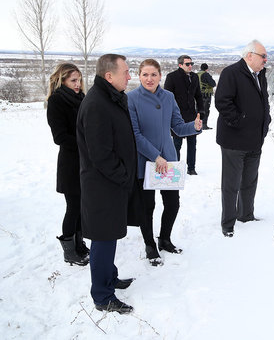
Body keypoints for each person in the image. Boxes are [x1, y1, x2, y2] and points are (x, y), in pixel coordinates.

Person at [76, 54, 142, 314]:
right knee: (103, 239)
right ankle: (102, 296)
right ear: (109, 76)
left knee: (111, 234)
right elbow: (100, 154)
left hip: (113, 184)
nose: (130, 76)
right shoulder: (96, 104)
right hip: (102, 186)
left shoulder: (111, 97)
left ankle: (110, 277)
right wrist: (124, 175)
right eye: (126, 72)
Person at [127, 59, 202, 266]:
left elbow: (177, 127)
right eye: (145, 75)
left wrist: (194, 127)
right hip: (146, 160)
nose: (149, 79)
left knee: (172, 203)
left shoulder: (168, 97)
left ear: (160, 76)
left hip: (168, 160)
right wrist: (154, 156)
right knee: (146, 207)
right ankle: (150, 245)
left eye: (153, 75)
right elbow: (134, 134)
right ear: (139, 76)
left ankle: (165, 239)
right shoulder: (131, 99)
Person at [215, 40, 271, 237]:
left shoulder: (260, 74)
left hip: (255, 139)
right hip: (234, 140)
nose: (266, 60)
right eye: (263, 56)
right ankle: (228, 224)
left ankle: (246, 215)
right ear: (250, 56)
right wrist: (240, 121)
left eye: (266, 56)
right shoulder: (232, 73)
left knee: (249, 181)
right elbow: (222, 102)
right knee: (231, 184)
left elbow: (264, 100)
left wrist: (266, 121)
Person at [46, 63, 89, 266]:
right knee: (73, 206)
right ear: (62, 80)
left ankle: (79, 245)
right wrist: (86, 144)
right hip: (70, 162)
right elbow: (59, 136)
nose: (78, 84)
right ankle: (69, 251)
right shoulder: (56, 101)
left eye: (79, 80)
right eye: (73, 80)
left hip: (85, 161)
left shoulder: (81, 98)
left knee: (82, 206)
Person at [164, 55, 204, 175]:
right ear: (180, 65)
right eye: (188, 64)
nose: (190, 66)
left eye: (191, 63)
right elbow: (167, 97)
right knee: (177, 144)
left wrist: (201, 111)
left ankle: (191, 168)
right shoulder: (172, 77)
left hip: (192, 115)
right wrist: (168, 114)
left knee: (192, 144)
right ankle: (175, 167)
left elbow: (198, 95)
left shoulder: (195, 77)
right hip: (177, 116)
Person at [197, 63, 217, 130]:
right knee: (205, 109)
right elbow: (213, 84)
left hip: (197, 94)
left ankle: (197, 124)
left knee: (197, 109)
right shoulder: (206, 74)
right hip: (206, 95)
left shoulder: (196, 74)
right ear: (206, 69)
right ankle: (204, 125)